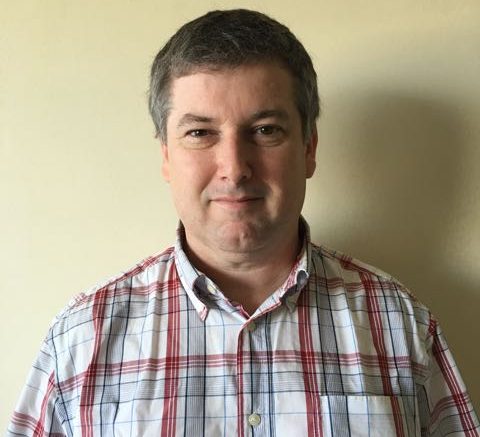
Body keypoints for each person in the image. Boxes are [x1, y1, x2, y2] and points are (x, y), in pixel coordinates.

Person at [7, 9, 479, 437]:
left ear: (309, 148)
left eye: (265, 130)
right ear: (167, 155)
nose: (234, 168)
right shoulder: (82, 338)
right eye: (200, 132)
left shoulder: (401, 325)